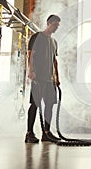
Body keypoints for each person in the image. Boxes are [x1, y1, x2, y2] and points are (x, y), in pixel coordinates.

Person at [25, 14, 61, 143]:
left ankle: (46, 133)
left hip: (50, 79)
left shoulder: (54, 42)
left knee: (49, 105)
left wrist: (57, 77)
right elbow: (30, 55)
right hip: (38, 77)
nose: (57, 28)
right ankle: (29, 133)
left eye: (58, 26)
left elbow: (54, 61)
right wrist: (31, 71)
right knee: (35, 104)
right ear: (48, 23)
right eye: (55, 25)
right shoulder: (37, 37)